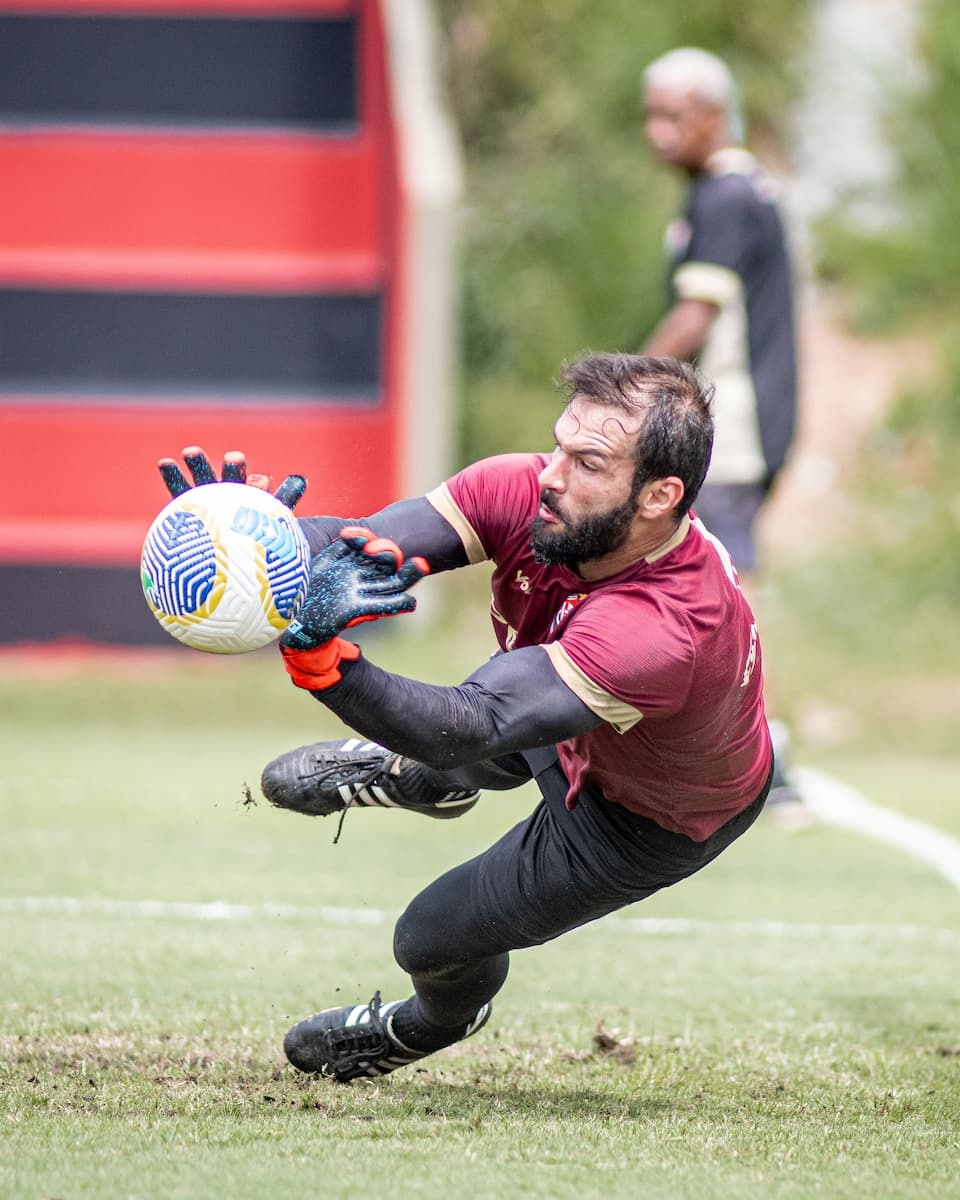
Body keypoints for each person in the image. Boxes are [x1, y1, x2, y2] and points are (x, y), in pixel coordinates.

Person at [160, 353, 774, 1083]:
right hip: (567, 713)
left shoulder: (667, 627)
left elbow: (472, 724)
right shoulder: (532, 491)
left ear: (658, 495)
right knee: (478, 734)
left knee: (428, 939)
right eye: (559, 445)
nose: (551, 474)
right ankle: (424, 779)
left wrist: (326, 663)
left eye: (588, 462)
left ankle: (427, 1024)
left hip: (649, 814)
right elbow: (366, 544)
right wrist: (251, 538)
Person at [640, 47, 801, 809]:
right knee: (709, 582)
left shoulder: (727, 195)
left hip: (731, 425)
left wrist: (619, 388)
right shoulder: (731, 191)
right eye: (651, 116)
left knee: (728, 587)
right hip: (740, 421)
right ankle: (738, 754)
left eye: (674, 115)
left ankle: (769, 762)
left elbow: (696, 317)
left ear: (714, 114)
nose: (658, 132)